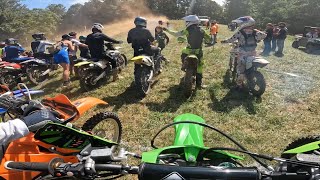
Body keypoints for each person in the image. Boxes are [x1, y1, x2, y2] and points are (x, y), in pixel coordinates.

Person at [163, 15, 211, 88]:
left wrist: (167, 30)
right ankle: (199, 84)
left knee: (183, 52)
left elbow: (176, 34)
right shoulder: (202, 30)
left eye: (186, 22)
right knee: (200, 66)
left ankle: (184, 64)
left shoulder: (187, 30)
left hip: (188, 51)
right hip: (198, 51)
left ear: (190, 22)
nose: (185, 23)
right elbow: (208, 39)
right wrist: (209, 41)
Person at [221, 16, 266, 90]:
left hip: (243, 53)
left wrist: (224, 41)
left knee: (240, 69)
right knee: (250, 66)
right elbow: (264, 35)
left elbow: (231, 39)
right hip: (253, 52)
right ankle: (249, 75)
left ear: (244, 23)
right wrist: (257, 37)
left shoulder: (240, 32)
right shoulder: (255, 32)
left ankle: (239, 85)